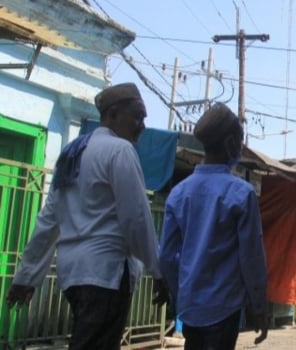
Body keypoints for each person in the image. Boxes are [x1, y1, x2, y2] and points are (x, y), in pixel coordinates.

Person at [5, 83, 169, 349]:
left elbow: (49, 220)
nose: (142, 125)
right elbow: (136, 218)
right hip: (106, 273)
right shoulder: (120, 151)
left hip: (73, 274)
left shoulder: (73, 152)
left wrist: (27, 276)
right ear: (113, 115)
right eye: (137, 116)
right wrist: (158, 271)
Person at [159, 103, 269, 350]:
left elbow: (166, 256)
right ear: (231, 143)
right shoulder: (241, 193)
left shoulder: (178, 193)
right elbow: (251, 258)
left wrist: (182, 291)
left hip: (190, 306)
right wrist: (259, 306)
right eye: (240, 142)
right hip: (224, 305)